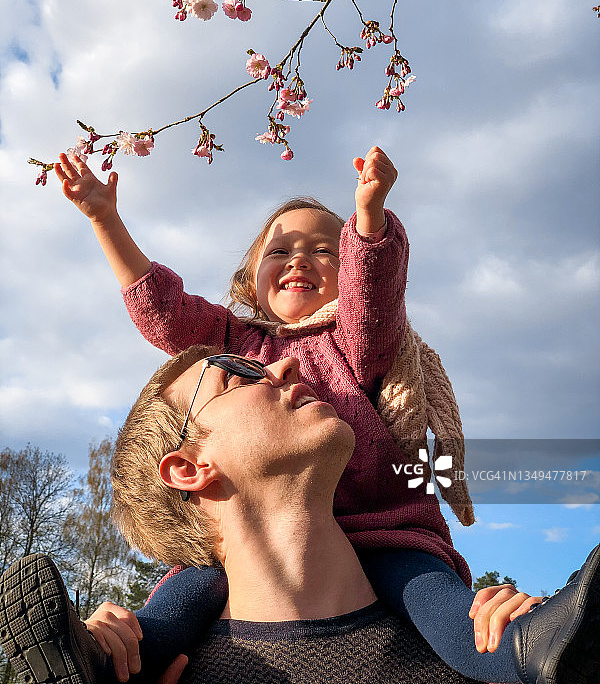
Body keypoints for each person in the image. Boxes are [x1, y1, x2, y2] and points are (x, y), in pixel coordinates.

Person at [53, 146, 482, 676]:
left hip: (385, 532)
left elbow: (375, 298)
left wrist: (369, 219)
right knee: (178, 603)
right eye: (280, 250)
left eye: (327, 250)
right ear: (250, 280)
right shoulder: (235, 343)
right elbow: (163, 310)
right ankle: (101, 663)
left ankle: (532, 650)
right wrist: (105, 220)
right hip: (259, 535)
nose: (300, 259)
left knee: (450, 614)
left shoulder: (356, 338)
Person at [1, 350, 598, 684]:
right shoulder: (171, 675)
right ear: (188, 467)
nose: (287, 365)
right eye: (239, 375)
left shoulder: (480, 651)